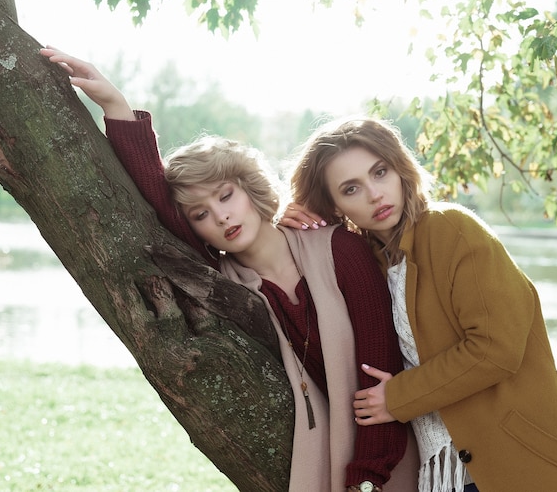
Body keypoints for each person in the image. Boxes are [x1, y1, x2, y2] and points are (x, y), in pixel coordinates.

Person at [40, 47, 419, 492]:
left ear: (250, 189)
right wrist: (116, 108)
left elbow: (380, 368)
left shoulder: (341, 248)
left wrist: (367, 478)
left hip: (387, 459)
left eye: (225, 196)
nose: (220, 217)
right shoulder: (221, 282)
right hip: (321, 456)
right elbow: (158, 204)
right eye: (200, 214)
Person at [281, 116, 557, 491]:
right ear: (334, 206)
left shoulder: (450, 229)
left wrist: (398, 397)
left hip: (529, 464)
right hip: (444, 475)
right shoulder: (365, 265)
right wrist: (290, 230)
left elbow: (496, 348)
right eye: (351, 189)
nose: (375, 194)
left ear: (401, 169)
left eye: (380, 172)